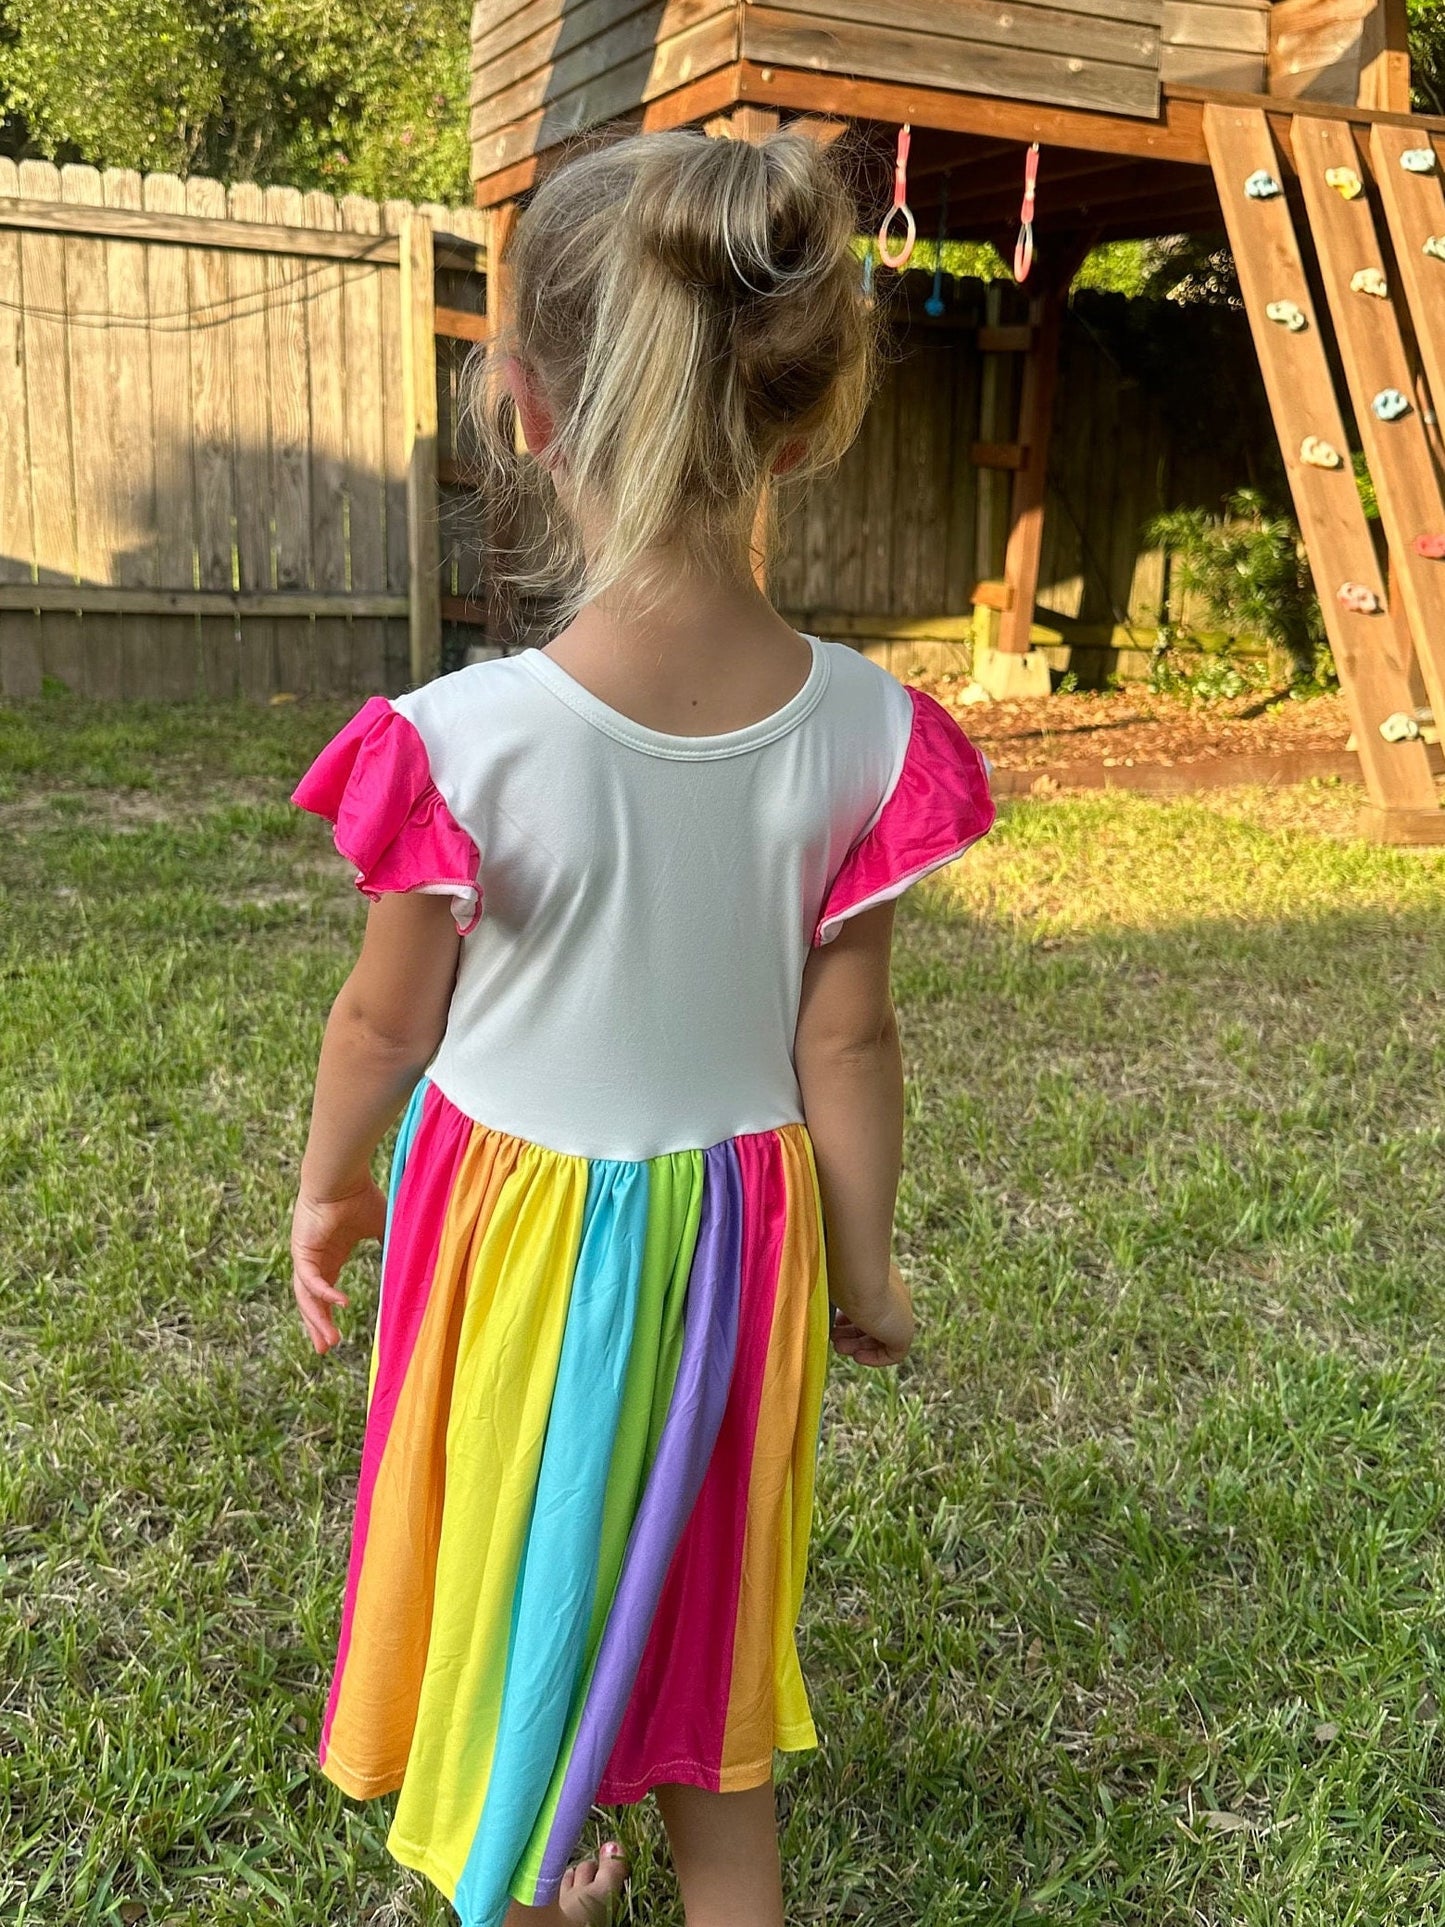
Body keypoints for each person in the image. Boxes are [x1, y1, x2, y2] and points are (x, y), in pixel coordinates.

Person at [288, 127, 994, 1927]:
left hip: (512, 1228)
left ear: (522, 409)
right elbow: (847, 1048)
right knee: (700, 1613)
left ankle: (513, 1885)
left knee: (515, 1578)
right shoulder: (867, 732)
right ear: (799, 412)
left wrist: (327, 1188)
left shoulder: (462, 738)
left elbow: (384, 1021)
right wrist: (863, 1272)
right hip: (737, 1239)